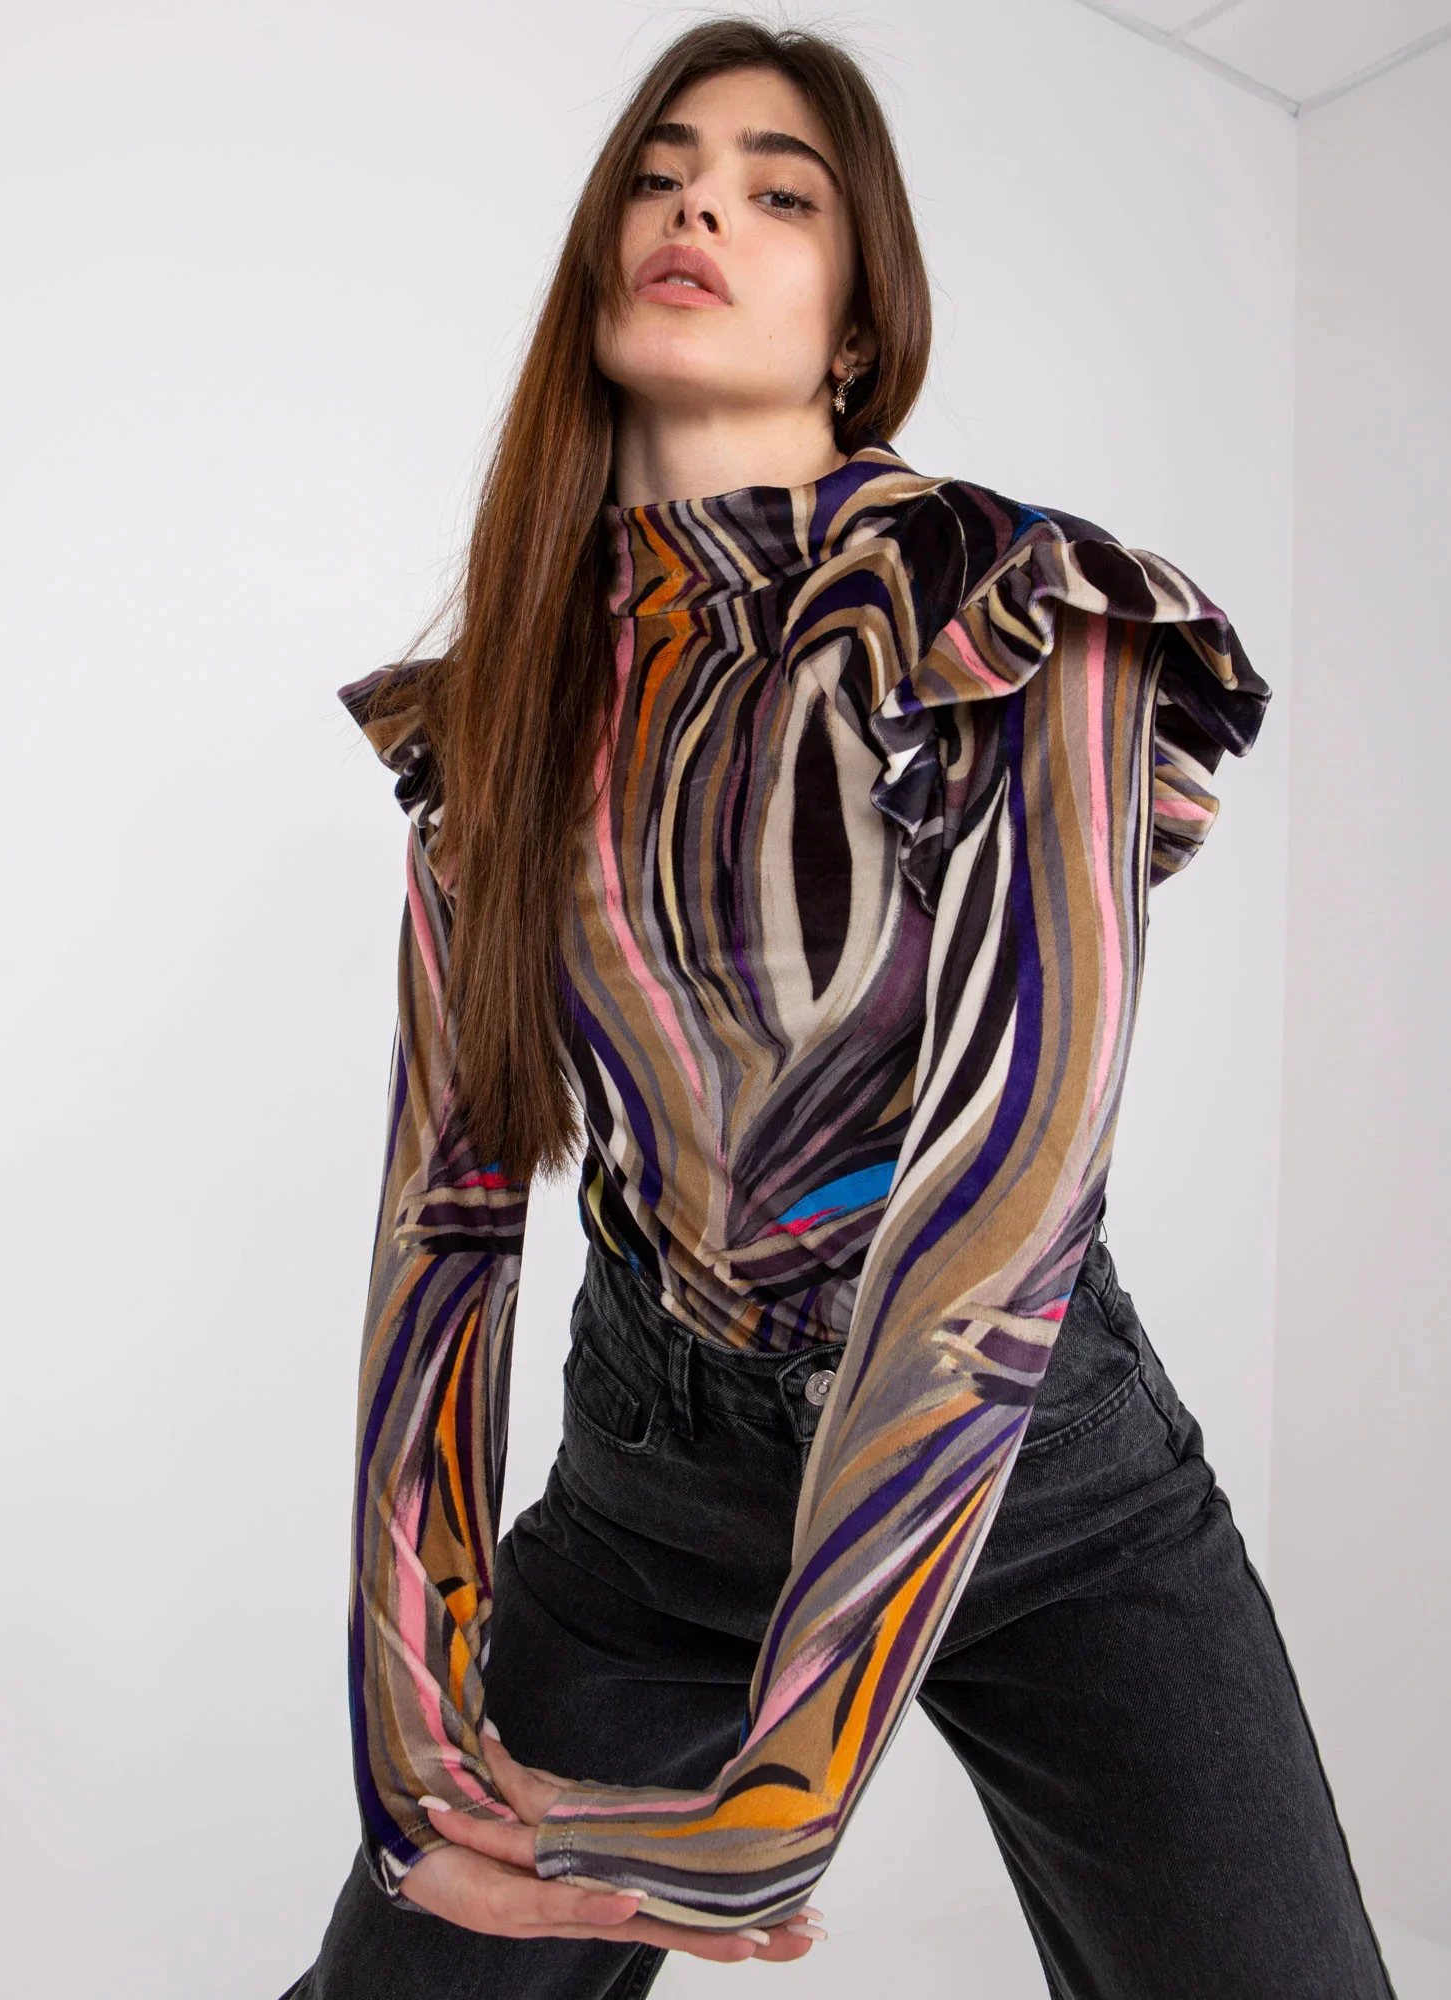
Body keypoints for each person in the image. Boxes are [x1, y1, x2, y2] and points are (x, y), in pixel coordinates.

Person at [282, 18, 1394, 2000]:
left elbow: (1003, 1194)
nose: (699, 206)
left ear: (860, 324)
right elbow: (445, 1223)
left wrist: (778, 1795)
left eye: (777, 191)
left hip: (1036, 1469)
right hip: (653, 1482)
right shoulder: (503, 712)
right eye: (659, 175)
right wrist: (412, 1763)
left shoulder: (1021, 608)